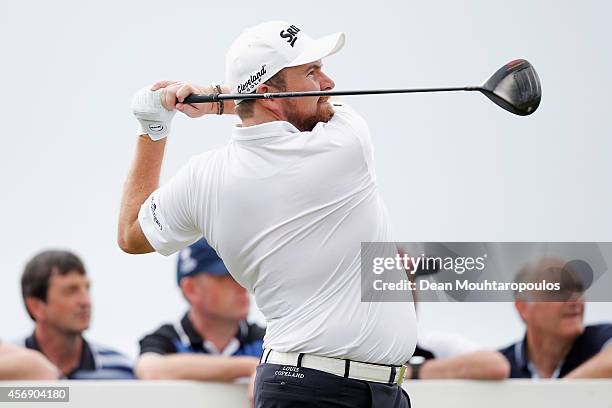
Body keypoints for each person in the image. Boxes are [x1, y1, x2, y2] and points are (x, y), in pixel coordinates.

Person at [119, 21, 416, 407]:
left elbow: (130, 233)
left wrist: (152, 127)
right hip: (313, 390)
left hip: (344, 389)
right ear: (270, 94)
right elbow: (312, 109)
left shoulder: (203, 177)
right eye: (311, 72)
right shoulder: (346, 142)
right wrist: (218, 99)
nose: (328, 82)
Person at [135, 238, 265, 384]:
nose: (243, 285)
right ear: (191, 290)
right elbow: (150, 370)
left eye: (243, 274)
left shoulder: (269, 340)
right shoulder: (167, 339)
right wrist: (251, 367)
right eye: (228, 277)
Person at [20, 250, 134, 379]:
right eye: (71, 291)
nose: (86, 301)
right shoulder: (6, 367)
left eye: (87, 288)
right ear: (36, 306)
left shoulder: (123, 372)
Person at [500, 257, 612, 378]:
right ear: (523, 308)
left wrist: (556, 392)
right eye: (558, 291)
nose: (575, 300)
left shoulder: (601, 341)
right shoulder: (502, 365)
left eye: (579, 290)